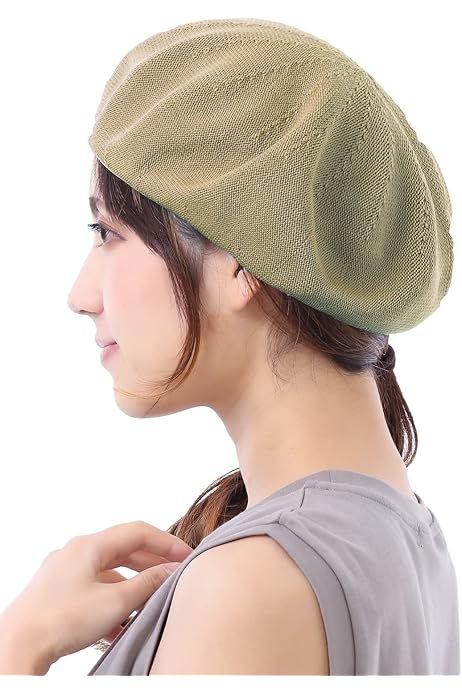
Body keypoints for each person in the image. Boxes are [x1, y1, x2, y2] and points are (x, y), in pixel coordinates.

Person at [66, 18, 459, 675]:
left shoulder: (248, 588)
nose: (80, 295)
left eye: (107, 233)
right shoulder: (414, 537)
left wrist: (18, 646)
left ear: (240, 261)